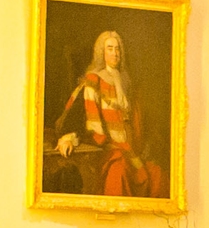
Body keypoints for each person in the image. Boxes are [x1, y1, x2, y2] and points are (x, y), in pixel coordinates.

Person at [49, 28, 165, 198]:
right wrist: (68, 138)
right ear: (101, 52)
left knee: (157, 175)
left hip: (128, 148)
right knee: (119, 173)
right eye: (110, 48)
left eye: (117, 49)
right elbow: (79, 115)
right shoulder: (93, 80)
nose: (115, 53)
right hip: (104, 149)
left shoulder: (125, 80)